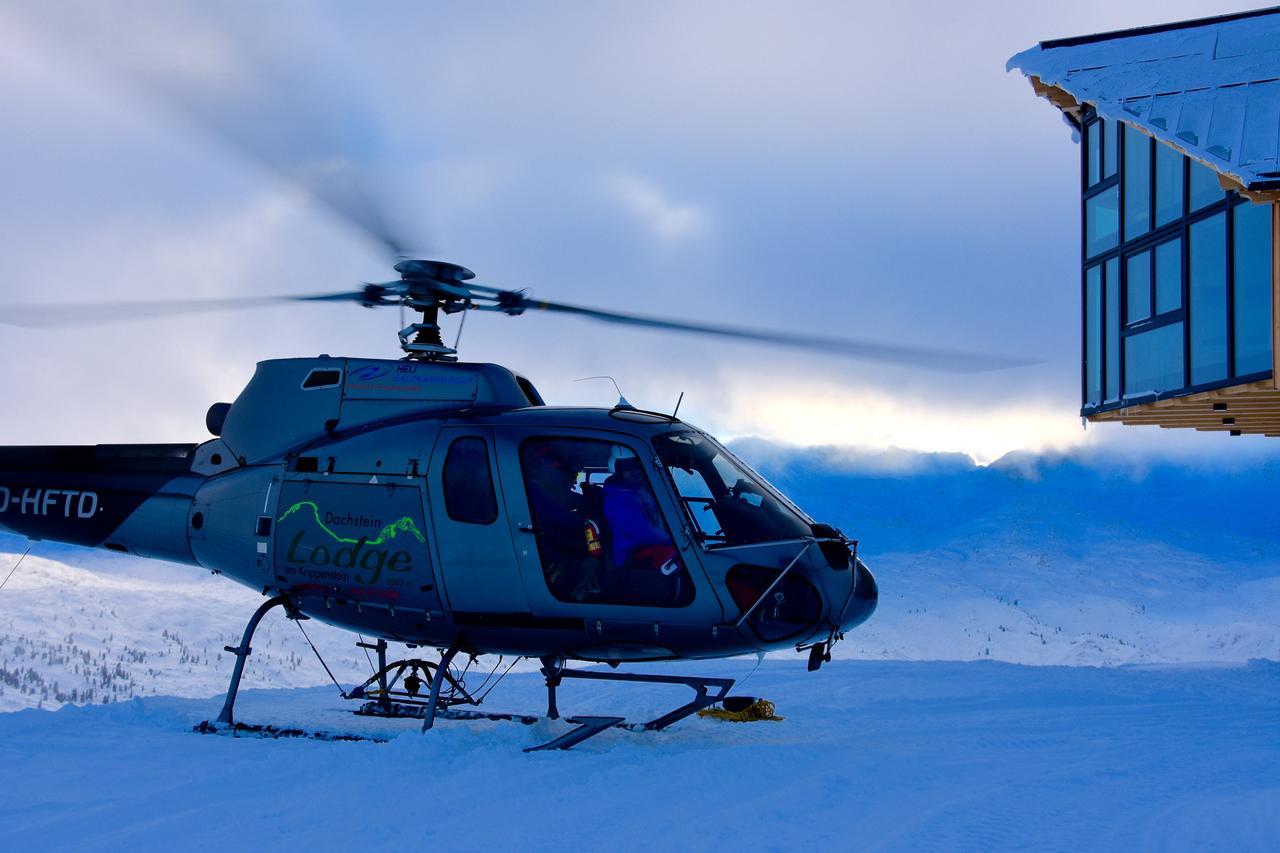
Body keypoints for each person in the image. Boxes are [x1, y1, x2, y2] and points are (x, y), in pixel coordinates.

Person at [524, 444, 601, 600]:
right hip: (546, 548)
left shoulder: (551, 490)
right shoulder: (534, 490)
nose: (573, 478)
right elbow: (557, 516)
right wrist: (580, 519)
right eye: (568, 472)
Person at [603, 454, 679, 576]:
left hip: (641, 549)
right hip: (631, 555)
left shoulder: (637, 493)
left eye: (638, 466)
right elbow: (643, 533)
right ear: (618, 470)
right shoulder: (620, 499)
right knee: (683, 556)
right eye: (627, 468)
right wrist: (675, 540)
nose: (635, 471)